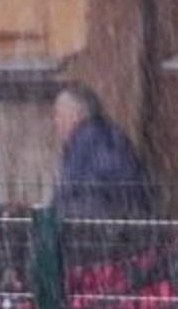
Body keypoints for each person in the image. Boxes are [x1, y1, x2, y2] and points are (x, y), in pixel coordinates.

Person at [50, 82, 152, 218]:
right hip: (121, 224)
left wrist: (54, 214)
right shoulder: (102, 137)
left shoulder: (87, 144)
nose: (55, 122)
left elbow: (75, 196)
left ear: (75, 115)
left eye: (58, 114)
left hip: (103, 229)